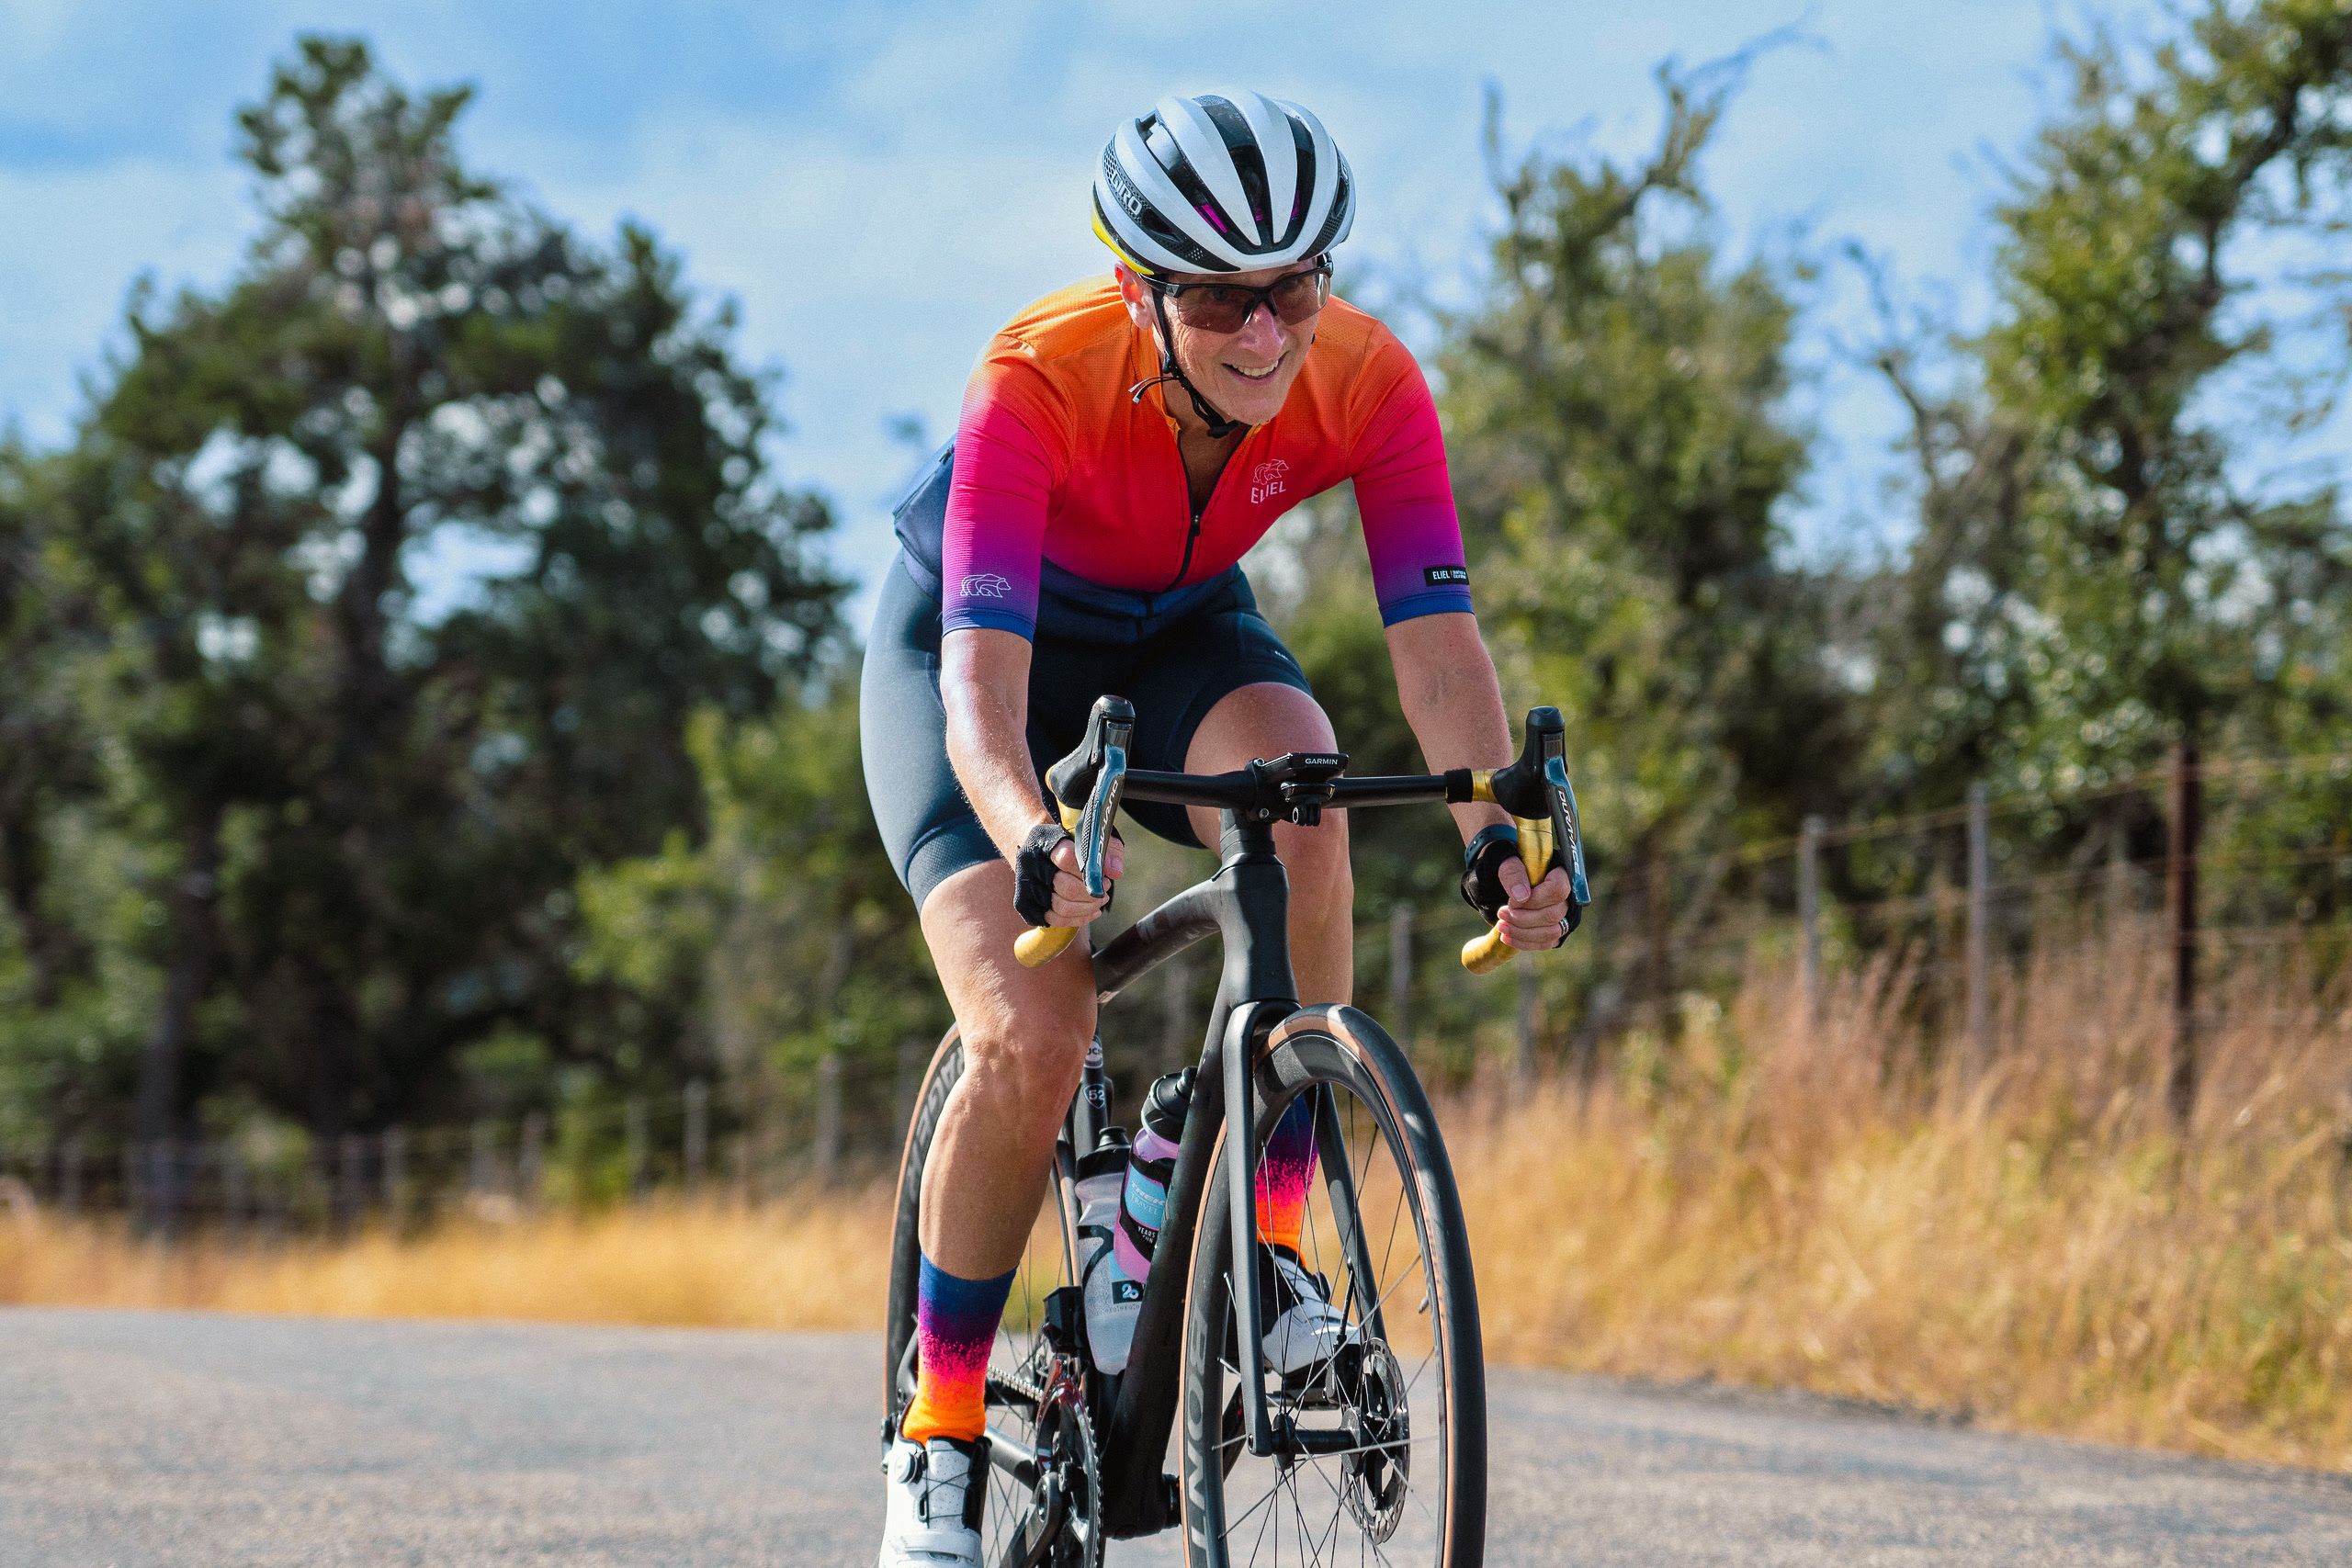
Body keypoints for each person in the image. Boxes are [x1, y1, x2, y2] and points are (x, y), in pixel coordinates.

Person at [863, 90, 1574, 1566]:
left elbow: (1436, 649)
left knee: (1306, 792)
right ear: (1142, 287)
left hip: (1180, 636)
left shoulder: (1370, 382)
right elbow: (981, 695)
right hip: (986, 661)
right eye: (1223, 300)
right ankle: (934, 1433)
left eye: (1295, 290)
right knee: (1033, 1026)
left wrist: (1493, 826)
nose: (1267, 333)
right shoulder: (1036, 379)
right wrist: (1027, 830)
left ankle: (1260, 1240)